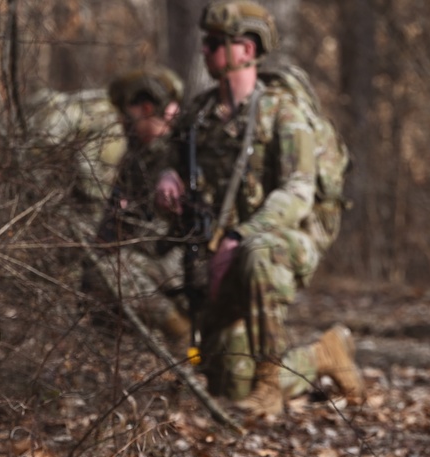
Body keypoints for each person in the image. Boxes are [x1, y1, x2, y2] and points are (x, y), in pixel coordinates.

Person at [155, 1, 364, 416]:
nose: (205, 51)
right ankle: (325, 354)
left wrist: (240, 235)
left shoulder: (282, 113)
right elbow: (167, 157)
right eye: (206, 42)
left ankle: (271, 383)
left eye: (215, 43)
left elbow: (298, 191)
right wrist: (166, 175)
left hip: (282, 245)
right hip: (218, 260)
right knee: (229, 385)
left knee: (258, 254)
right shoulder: (198, 117)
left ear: (246, 50)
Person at [85, 66, 190, 342]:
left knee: (110, 271)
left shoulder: (177, 153)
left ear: (145, 108)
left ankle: (181, 332)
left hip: (181, 262)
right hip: (158, 259)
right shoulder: (138, 156)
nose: (122, 124)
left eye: (127, 116)